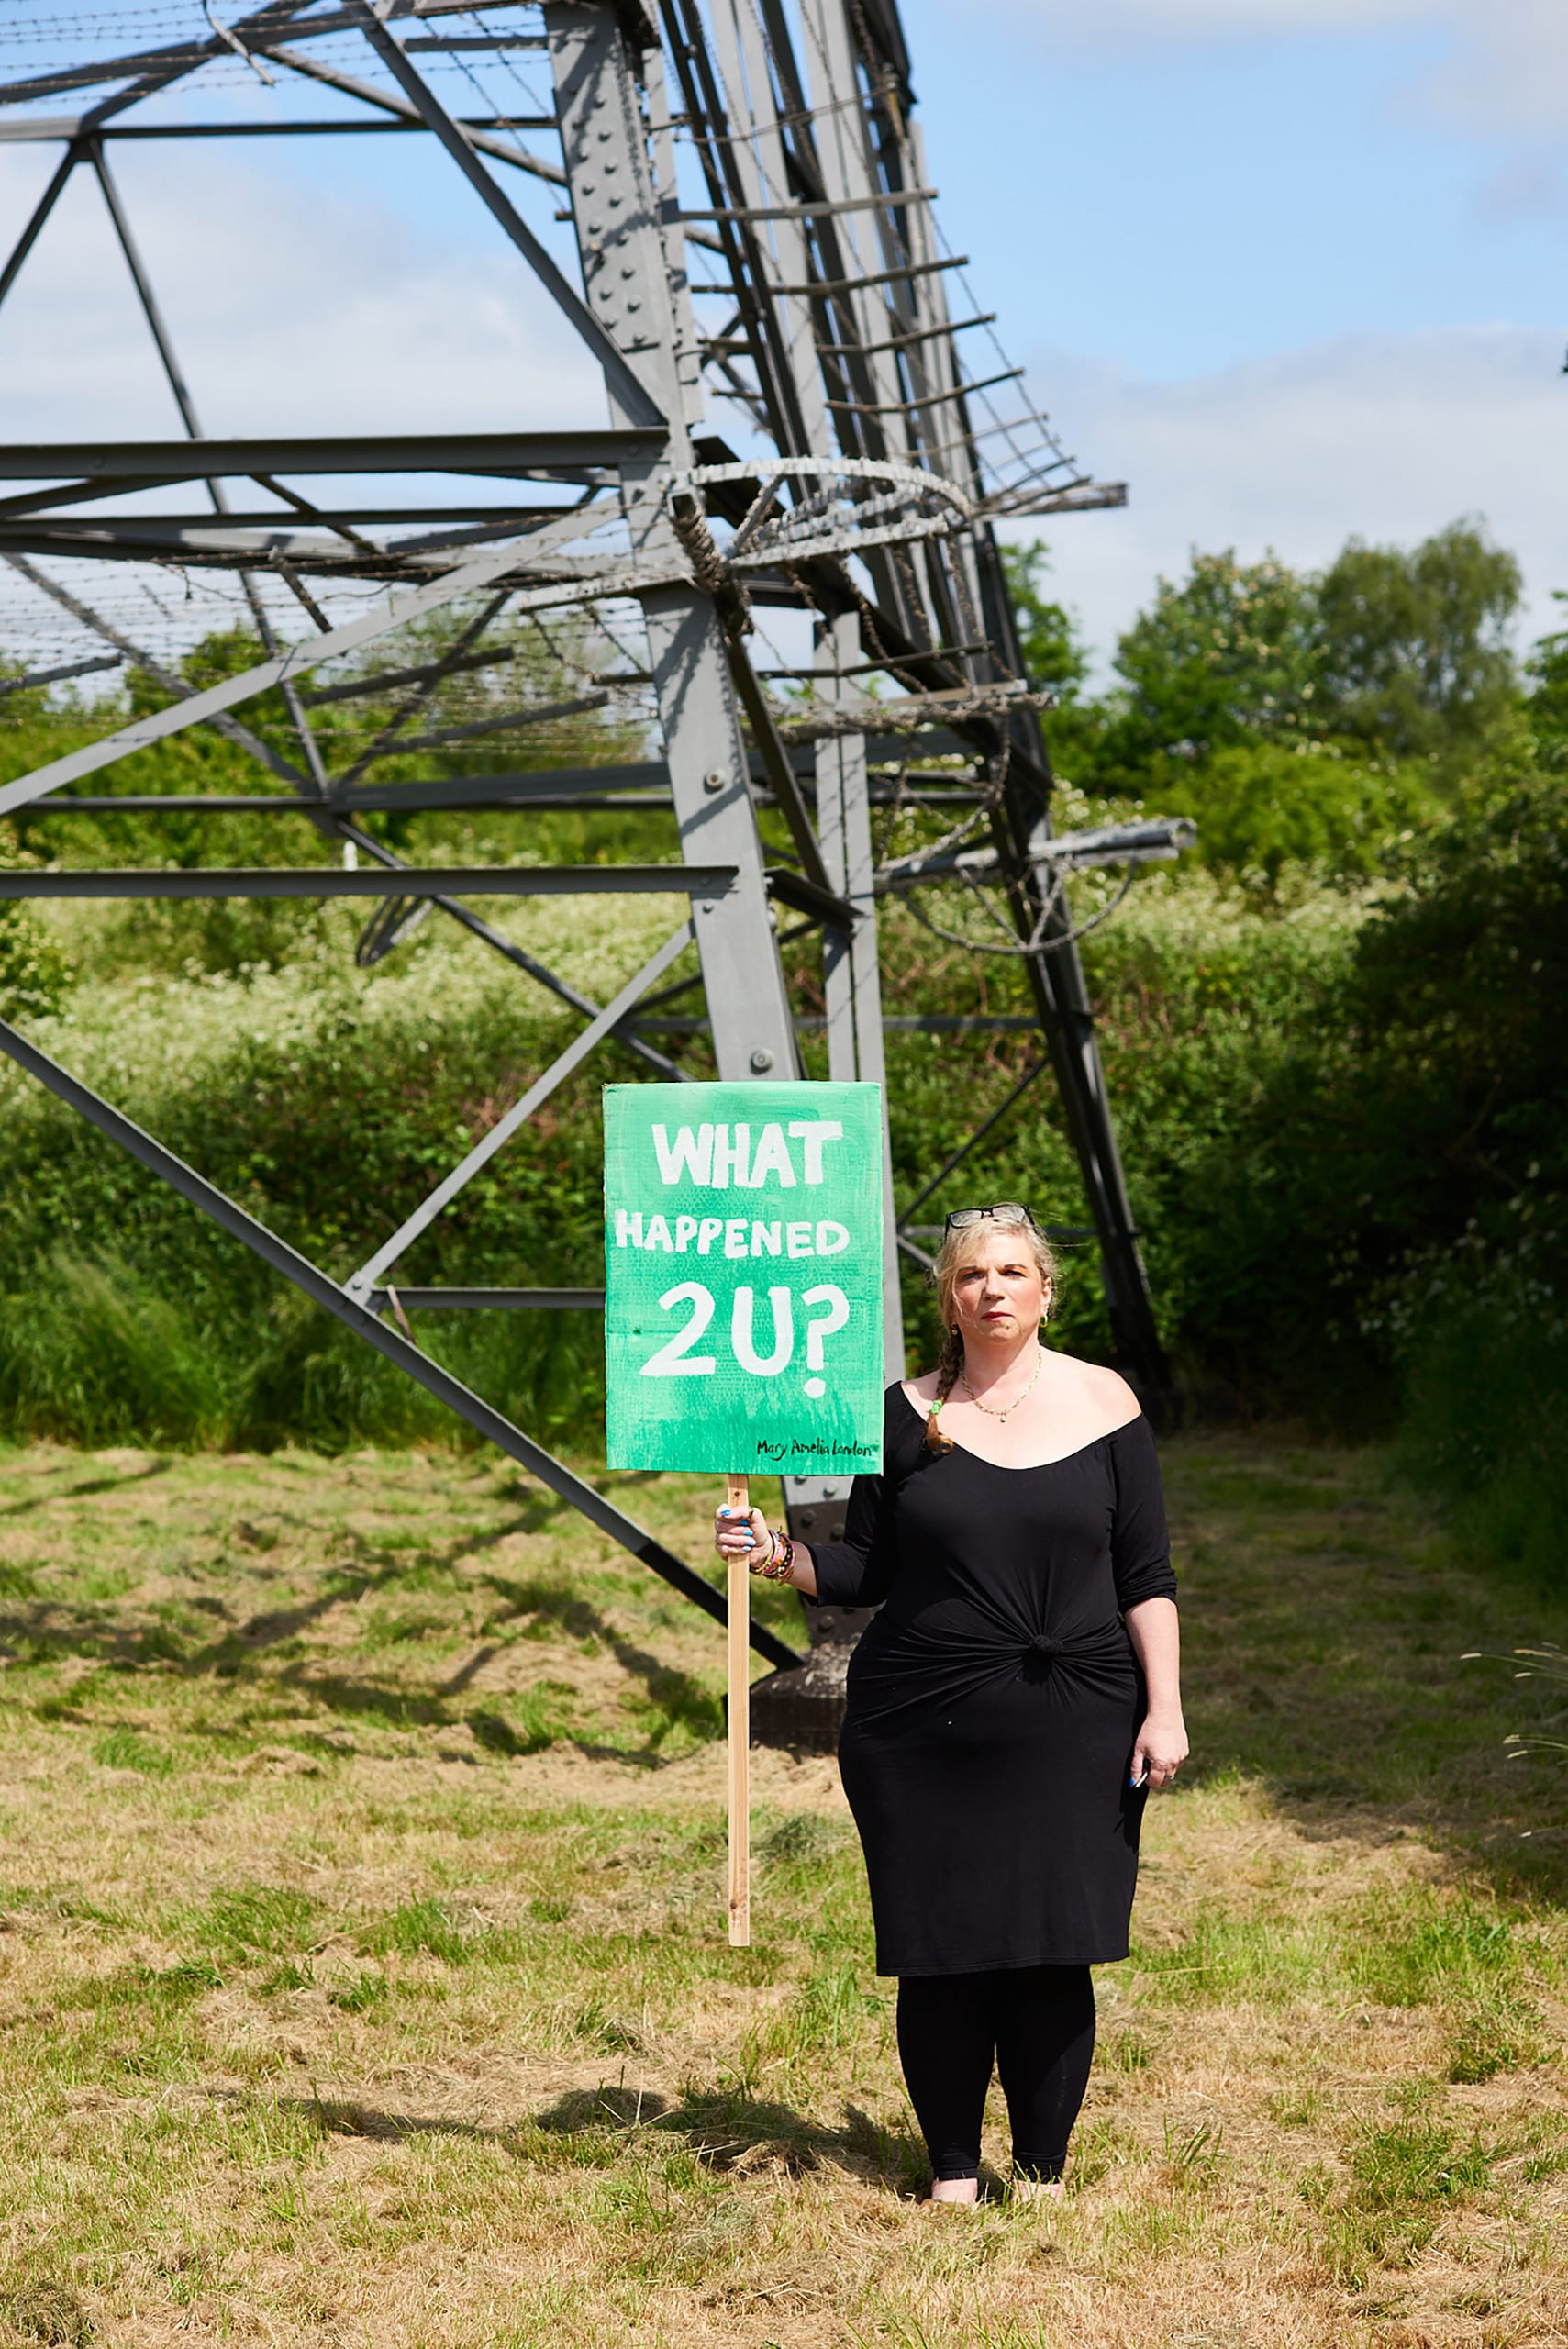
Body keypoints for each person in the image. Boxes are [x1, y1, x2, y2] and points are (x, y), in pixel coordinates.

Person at [714, 1203, 1186, 2206]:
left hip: (1077, 1716)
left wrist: (1164, 1707)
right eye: (972, 1275)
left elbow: (1145, 1574)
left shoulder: (1106, 1405)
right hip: (917, 1725)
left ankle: (1045, 2176)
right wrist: (772, 1554)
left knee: (1055, 1949)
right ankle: (953, 2175)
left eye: (1013, 1271)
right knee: (943, 1953)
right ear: (949, 1297)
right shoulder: (899, 1411)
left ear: (1044, 1289)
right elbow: (863, 1565)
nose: (993, 1289)